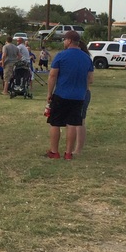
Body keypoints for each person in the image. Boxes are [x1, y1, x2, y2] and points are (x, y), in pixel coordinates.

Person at [45, 30, 95, 160]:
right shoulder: (86, 58)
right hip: (79, 96)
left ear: (69, 41)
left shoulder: (61, 55)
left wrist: (49, 93)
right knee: (72, 124)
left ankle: (54, 151)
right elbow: (90, 79)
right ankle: (68, 153)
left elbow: (52, 75)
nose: (63, 42)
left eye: (64, 40)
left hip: (61, 94)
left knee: (55, 123)